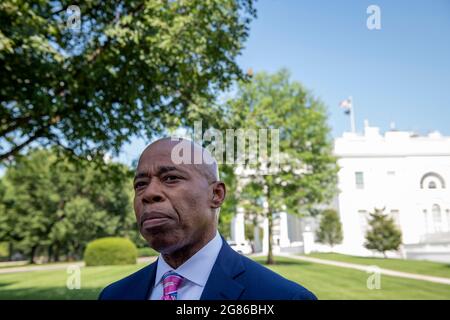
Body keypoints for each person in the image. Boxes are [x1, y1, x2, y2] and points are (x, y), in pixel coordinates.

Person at [99, 137, 316, 300]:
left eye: (171, 178)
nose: (148, 194)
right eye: (140, 184)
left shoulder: (282, 297)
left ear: (216, 195)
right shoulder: (113, 295)